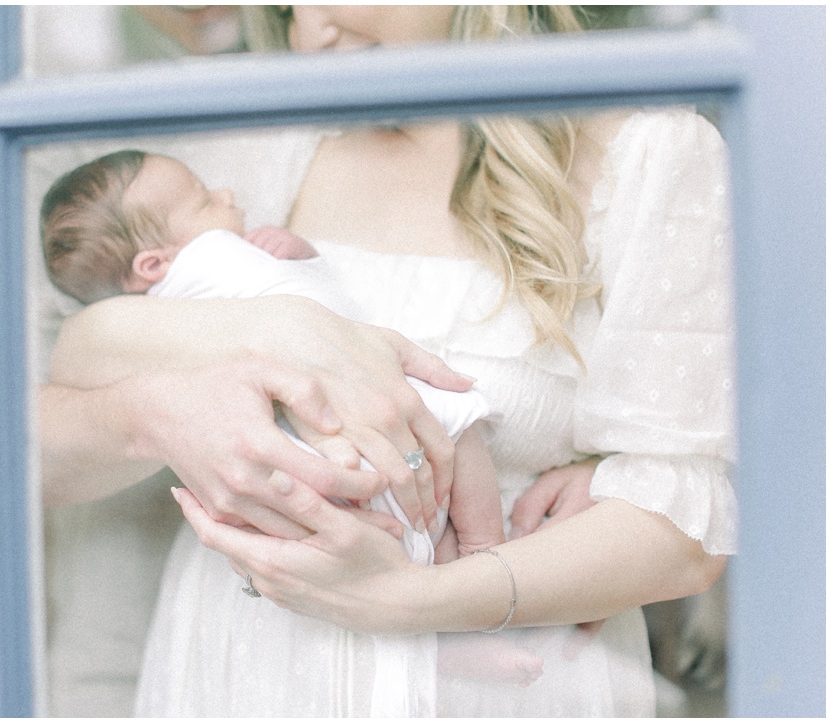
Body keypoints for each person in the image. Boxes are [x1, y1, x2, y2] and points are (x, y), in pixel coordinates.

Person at [40, 5, 737, 717]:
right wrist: (208, 379)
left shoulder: (653, 156)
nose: (310, 36)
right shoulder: (253, 144)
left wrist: (412, 600)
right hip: (246, 665)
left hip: (499, 679)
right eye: (285, 7)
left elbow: (685, 529)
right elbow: (50, 416)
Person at [39, 148, 506, 564]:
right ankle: (483, 554)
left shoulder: (155, 312)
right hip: (348, 409)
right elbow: (313, 299)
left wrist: (296, 255)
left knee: (393, 536)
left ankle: (447, 607)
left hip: (306, 457)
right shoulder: (206, 261)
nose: (224, 194)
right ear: (154, 264)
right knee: (456, 444)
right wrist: (299, 257)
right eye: (204, 201)